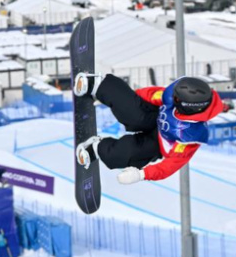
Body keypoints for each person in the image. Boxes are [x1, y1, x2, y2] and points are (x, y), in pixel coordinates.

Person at [73, 73, 223, 184]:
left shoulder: (190, 135)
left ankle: (96, 148)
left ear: (188, 108)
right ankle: (96, 84)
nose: (173, 98)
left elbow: (170, 165)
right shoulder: (173, 94)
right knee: (132, 113)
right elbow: (150, 96)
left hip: (158, 144)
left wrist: (141, 174)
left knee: (128, 153)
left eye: (177, 100)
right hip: (154, 116)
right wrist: (116, 97)